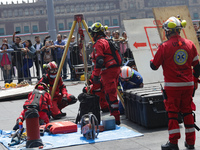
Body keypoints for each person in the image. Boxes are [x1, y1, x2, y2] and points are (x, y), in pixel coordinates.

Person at [150, 16, 200, 150]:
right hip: (188, 85)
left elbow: (154, 66)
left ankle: (173, 143)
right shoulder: (190, 44)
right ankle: (190, 143)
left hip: (172, 87)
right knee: (188, 113)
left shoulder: (164, 47)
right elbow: (197, 66)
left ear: (168, 31)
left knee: (172, 114)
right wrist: (194, 80)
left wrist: (152, 59)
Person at [88, 22, 122, 125]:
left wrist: (96, 75)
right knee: (112, 93)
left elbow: (99, 61)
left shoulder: (99, 43)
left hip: (108, 71)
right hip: (115, 69)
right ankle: (115, 115)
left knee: (110, 95)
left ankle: (116, 119)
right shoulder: (107, 40)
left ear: (95, 34)